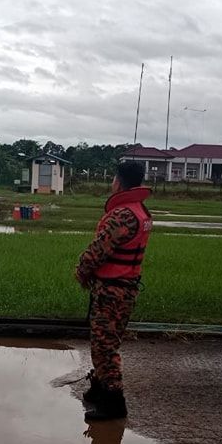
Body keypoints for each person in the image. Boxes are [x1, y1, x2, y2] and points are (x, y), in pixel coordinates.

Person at [75, 161, 152, 421]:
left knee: (104, 347)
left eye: (112, 179)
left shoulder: (122, 215)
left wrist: (82, 273)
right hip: (125, 288)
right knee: (106, 341)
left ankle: (113, 404)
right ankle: (98, 390)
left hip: (111, 291)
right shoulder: (140, 211)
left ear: (118, 181)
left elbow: (97, 252)